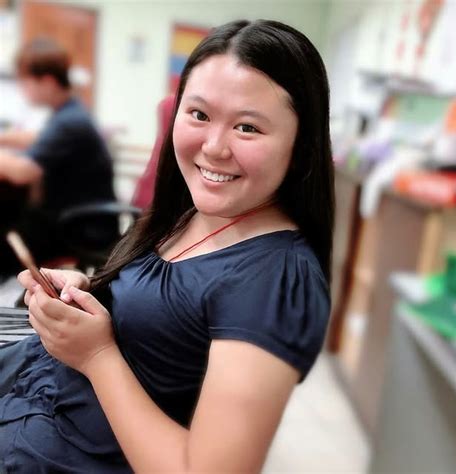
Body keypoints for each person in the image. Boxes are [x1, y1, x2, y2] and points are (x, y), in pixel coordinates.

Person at [0, 20, 334, 472]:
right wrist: (90, 293)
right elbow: (164, 322)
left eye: (247, 127)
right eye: (199, 115)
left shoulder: (275, 281)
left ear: (301, 143)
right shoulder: (193, 211)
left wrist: (97, 355)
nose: (213, 147)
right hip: (39, 391)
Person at [0, 38, 115, 274]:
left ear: (48, 82)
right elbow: (37, 138)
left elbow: (22, 172)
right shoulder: (70, 112)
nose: (22, 88)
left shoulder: (69, 122)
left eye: (25, 81)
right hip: (73, 219)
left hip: (79, 227)